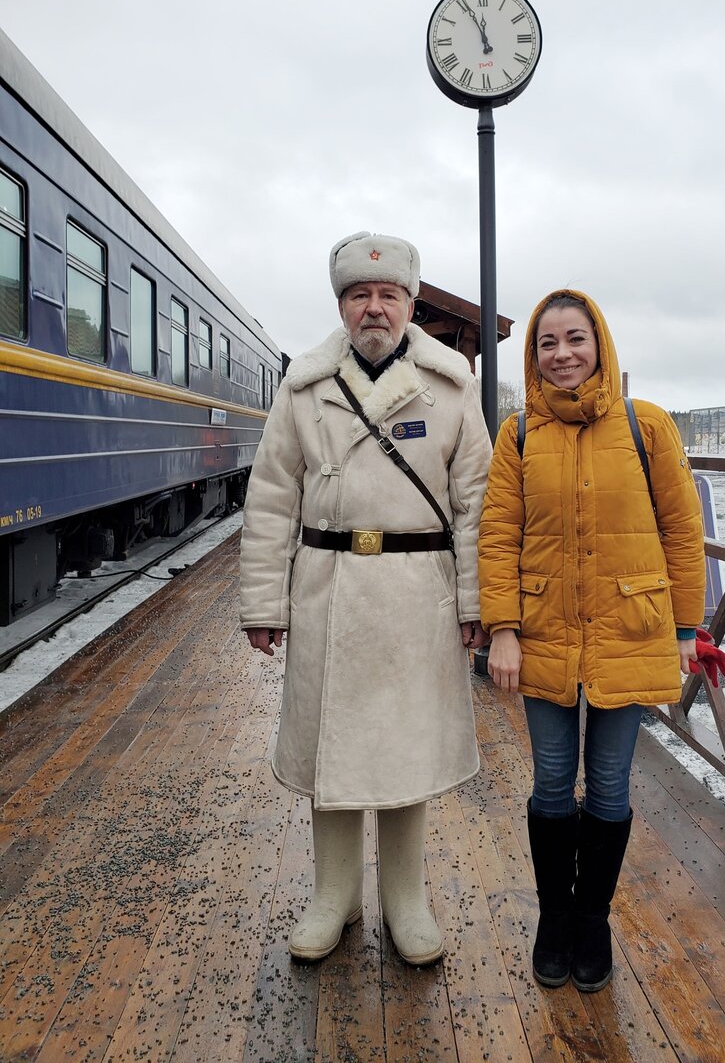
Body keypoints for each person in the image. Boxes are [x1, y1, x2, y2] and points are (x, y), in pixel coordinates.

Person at [240, 231, 492, 966]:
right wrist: (264, 603)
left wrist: (475, 601)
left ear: (410, 304)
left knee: (407, 746)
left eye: (387, 295)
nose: (374, 308)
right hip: (327, 590)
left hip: (419, 596)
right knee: (332, 749)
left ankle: (406, 902)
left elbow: (474, 502)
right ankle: (334, 896)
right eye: (359, 295)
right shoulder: (303, 388)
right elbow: (270, 500)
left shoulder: (451, 387)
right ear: (343, 307)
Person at [478, 289, 705, 992]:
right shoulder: (519, 437)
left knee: (608, 785)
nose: (562, 353)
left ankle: (593, 920)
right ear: (534, 354)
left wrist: (686, 631)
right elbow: (498, 537)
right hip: (543, 633)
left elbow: (682, 531)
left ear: (599, 344)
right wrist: (504, 631)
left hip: (629, 632)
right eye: (548, 343)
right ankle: (554, 920)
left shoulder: (650, 427)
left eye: (575, 338)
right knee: (551, 783)